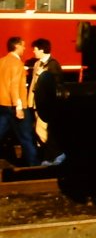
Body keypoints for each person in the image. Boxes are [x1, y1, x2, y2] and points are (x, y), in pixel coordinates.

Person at [0, 36, 38, 166]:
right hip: (16, 106)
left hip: (3, 105)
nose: (24, 48)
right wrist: (19, 107)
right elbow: (14, 86)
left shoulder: (2, 61)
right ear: (16, 46)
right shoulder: (17, 64)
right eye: (23, 45)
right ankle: (34, 167)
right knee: (26, 138)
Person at [27, 38, 63, 166]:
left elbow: (57, 85)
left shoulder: (53, 64)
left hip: (46, 104)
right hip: (38, 103)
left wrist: (45, 76)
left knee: (42, 130)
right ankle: (49, 157)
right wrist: (30, 101)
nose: (33, 52)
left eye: (35, 49)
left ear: (42, 50)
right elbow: (33, 84)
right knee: (42, 131)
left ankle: (57, 155)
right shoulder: (37, 64)